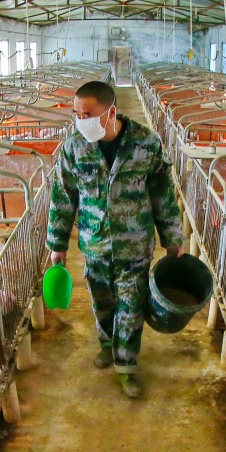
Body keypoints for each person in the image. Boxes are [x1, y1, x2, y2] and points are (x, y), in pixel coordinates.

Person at [46, 80, 183, 398]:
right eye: (77, 114)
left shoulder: (145, 144)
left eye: (88, 114)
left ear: (111, 112)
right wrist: (57, 245)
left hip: (134, 244)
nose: (81, 121)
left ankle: (127, 365)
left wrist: (173, 237)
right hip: (94, 244)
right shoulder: (73, 148)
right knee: (102, 302)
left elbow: (163, 192)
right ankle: (107, 344)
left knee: (132, 307)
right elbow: (62, 197)